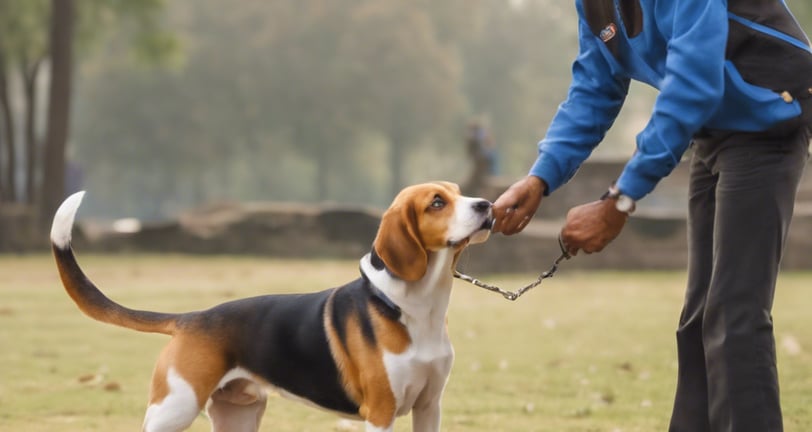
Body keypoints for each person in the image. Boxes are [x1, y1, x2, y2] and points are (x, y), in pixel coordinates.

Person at [491, 1, 812, 431]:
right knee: (698, 321)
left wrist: (619, 200)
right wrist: (540, 178)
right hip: (714, 132)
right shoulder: (593, 4)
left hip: (768, 120)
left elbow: (693, 84)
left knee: (736, 315)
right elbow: (595, 86)